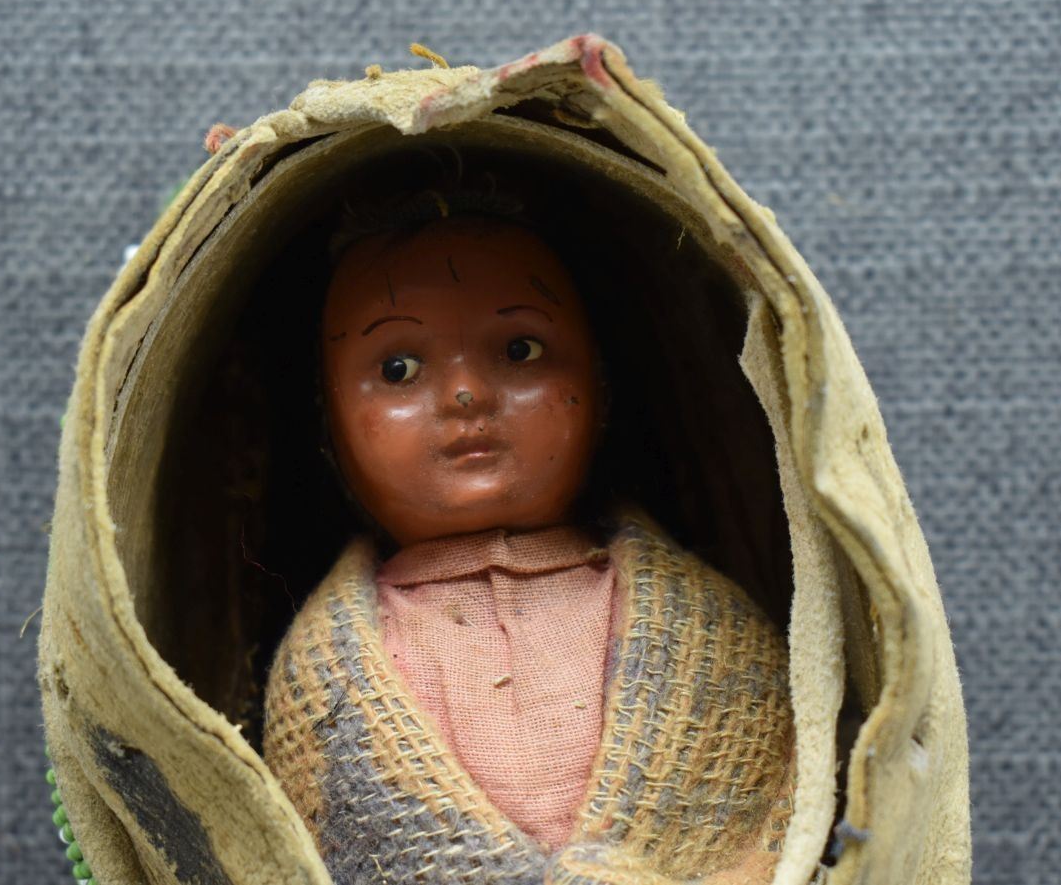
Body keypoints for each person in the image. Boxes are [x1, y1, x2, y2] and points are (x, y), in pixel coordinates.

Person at [263, 183, 795, 885]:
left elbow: (778, 817)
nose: (466, 394)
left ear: (600, 387)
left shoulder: (713, 633)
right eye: (398, 369)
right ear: (328, 423)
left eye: (520, 350)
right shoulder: (321, 676)